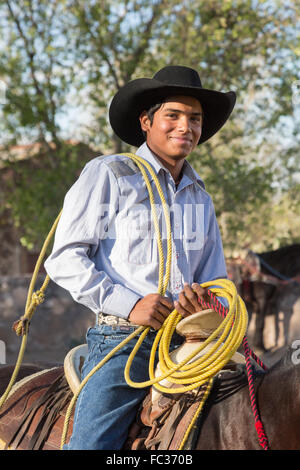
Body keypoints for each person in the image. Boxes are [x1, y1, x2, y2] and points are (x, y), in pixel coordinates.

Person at [44, 65, 236, 450]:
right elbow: (64, 259)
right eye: (173, 116)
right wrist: (131, 305)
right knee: (91, 445)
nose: (186, 127)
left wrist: (205, 302)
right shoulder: (110, 174)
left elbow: (217, 278)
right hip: (124, 342)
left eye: (194, 119)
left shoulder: (201, 196)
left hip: (188, 340)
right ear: (147, 121)